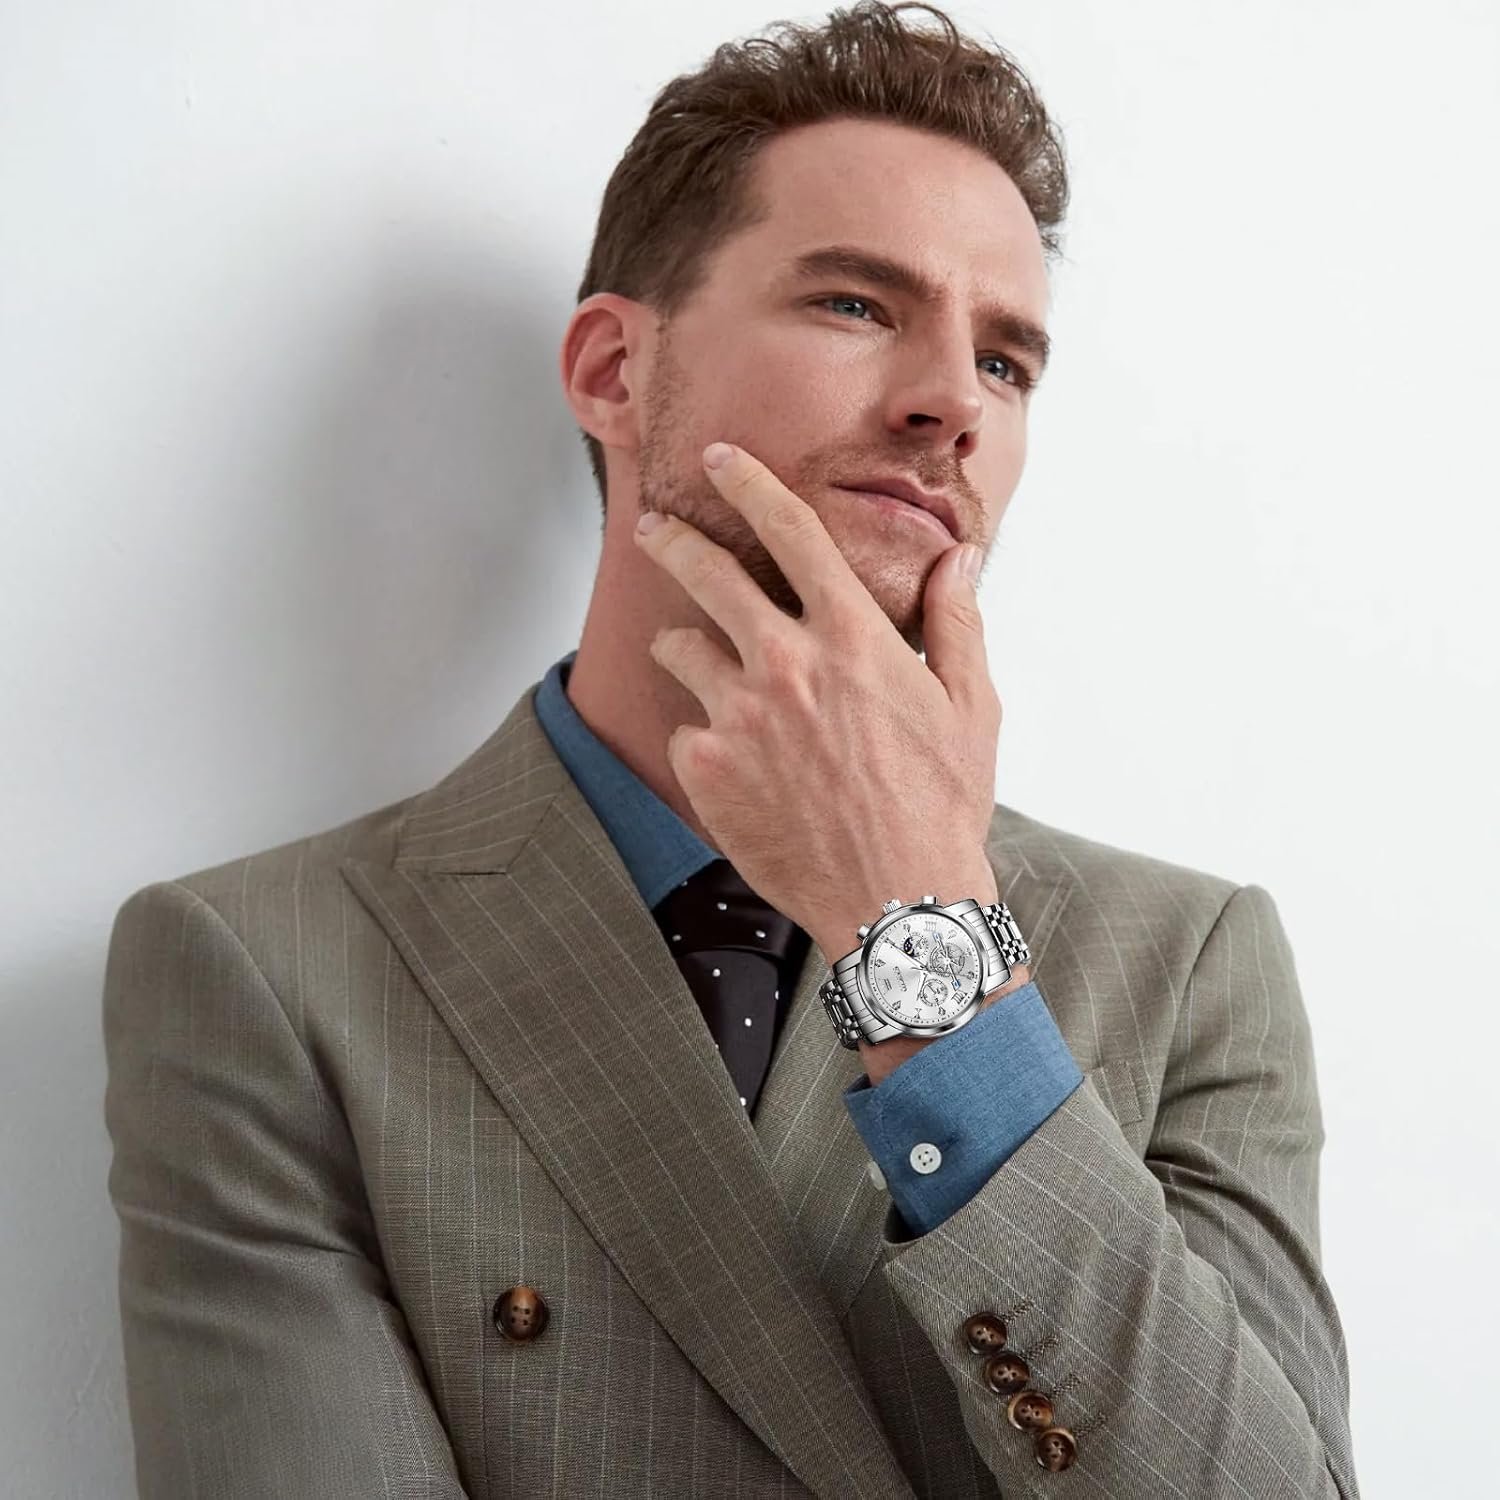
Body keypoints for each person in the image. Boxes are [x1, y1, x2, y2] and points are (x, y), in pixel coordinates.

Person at [101, 3, 1360, 1496]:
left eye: (1009, 361)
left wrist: (920, 933)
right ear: (612, 372)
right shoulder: (270, 973)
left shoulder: (1187, 968)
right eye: (856, 303)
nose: (953, 402)